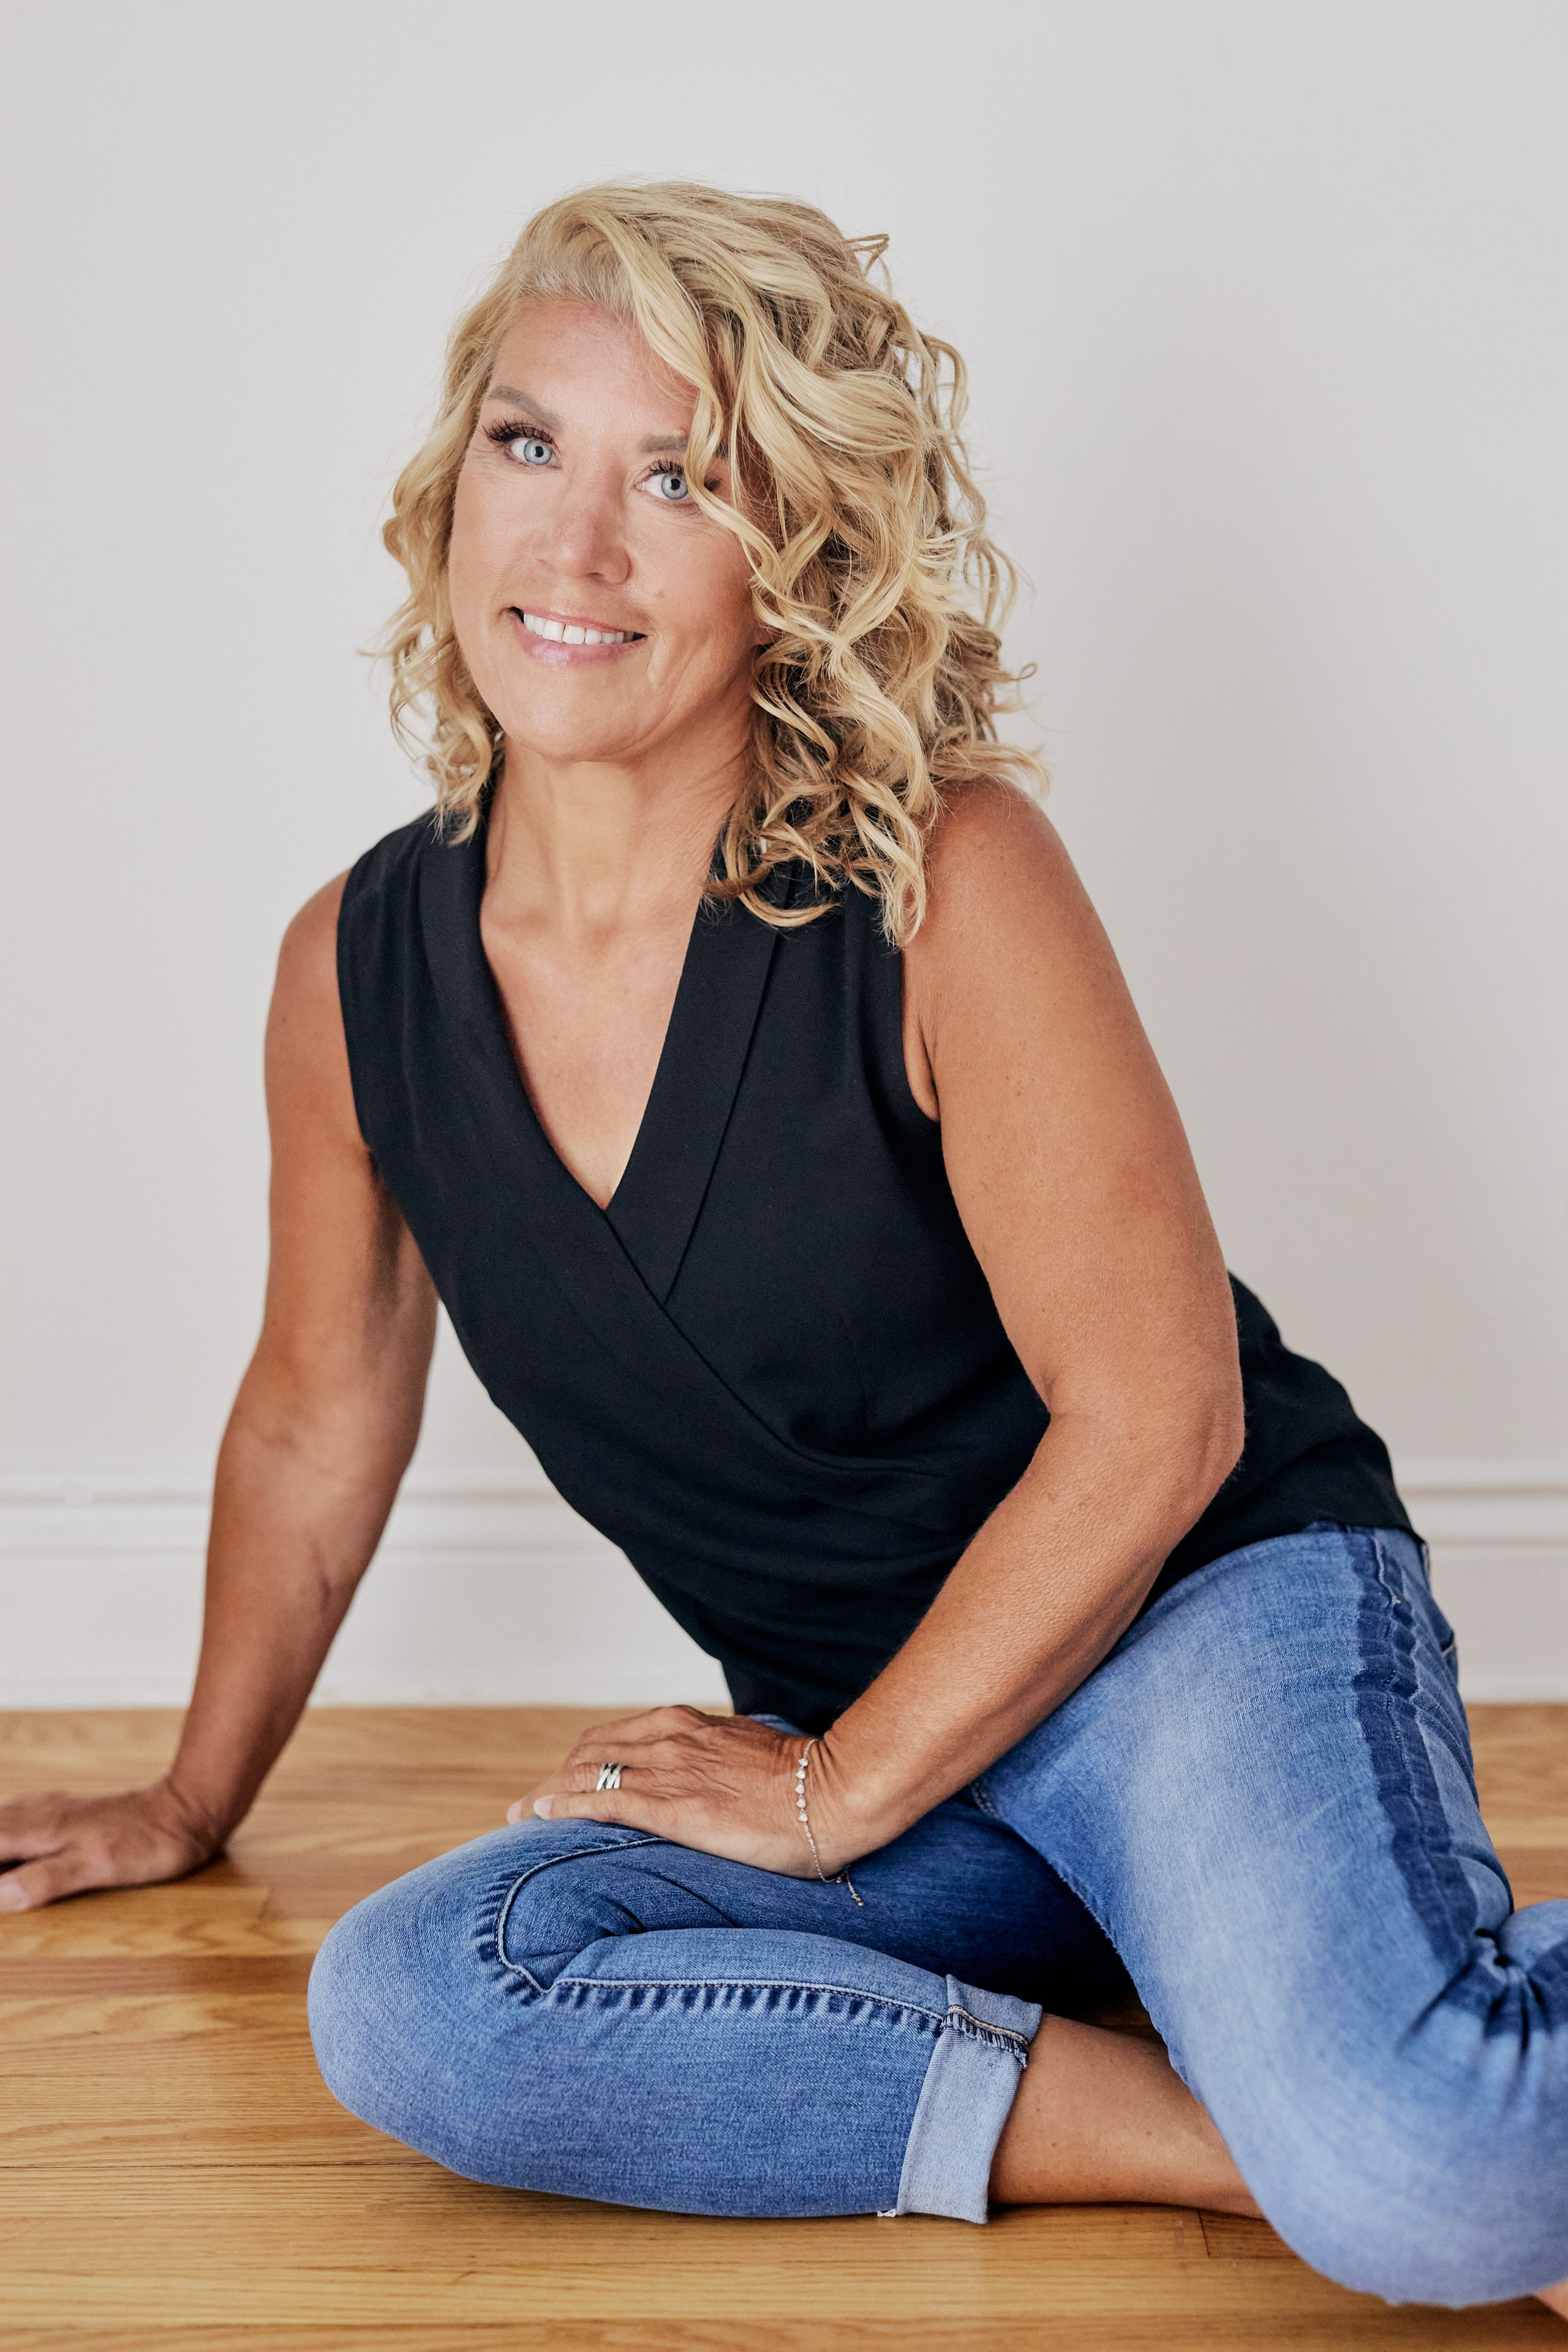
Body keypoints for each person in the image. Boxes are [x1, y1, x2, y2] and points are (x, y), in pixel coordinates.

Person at [2, 183, 1563, 2317]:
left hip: (1197, 1636)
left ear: (797, 554)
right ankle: (1267, 2126)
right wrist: (194, 1789)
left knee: (1424, 2176)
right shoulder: (354, 970)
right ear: (452, 487)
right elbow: (313, 1409)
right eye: (533, 446)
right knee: (422, 1993)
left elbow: (1164, 1415)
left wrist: (838, 1797)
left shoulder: (945, 879)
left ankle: (1382, 2120)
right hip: (888, 1758)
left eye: (684, 479)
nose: (577, 549)